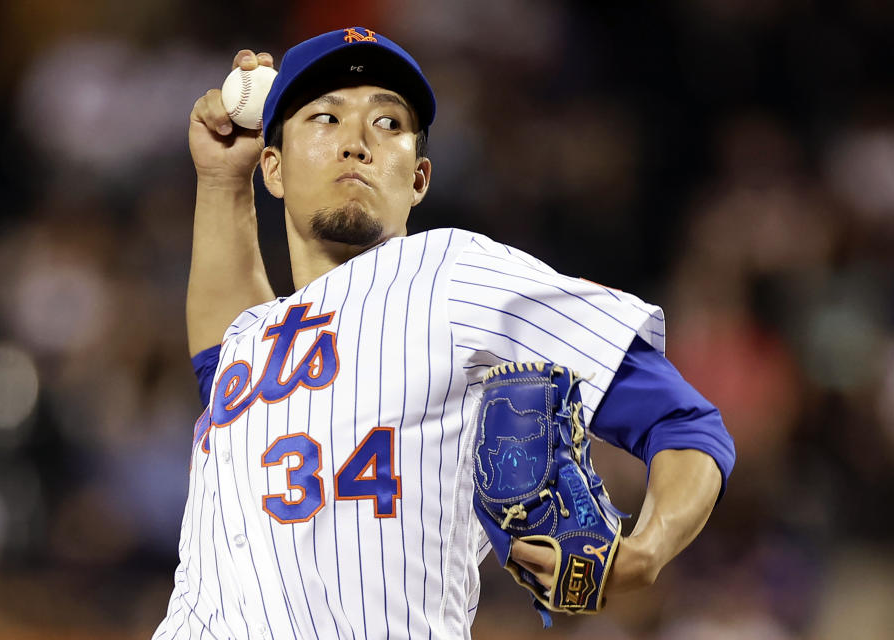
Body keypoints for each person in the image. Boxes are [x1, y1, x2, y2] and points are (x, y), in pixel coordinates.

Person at [154, 27, 735, 639]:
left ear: (420, 179)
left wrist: (647, 548)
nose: (356, 142)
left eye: (387, 124)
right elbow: (225, 362)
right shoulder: (257, 339)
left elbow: (684, 422)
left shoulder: (454, 275)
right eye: (325, 117)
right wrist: (221, 181)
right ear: (273, 167)